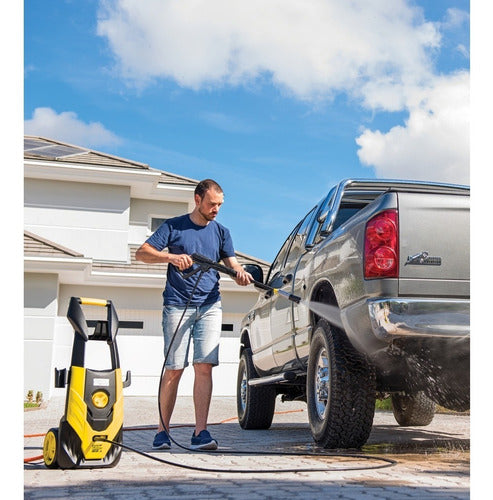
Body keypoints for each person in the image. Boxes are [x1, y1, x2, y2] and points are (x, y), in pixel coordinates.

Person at [135, 179, 252, 451]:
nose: (216, 209)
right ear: (197, 199)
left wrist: (240, 274)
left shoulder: (222, 232)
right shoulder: (173, 227)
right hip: (178, 304)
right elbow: (142, 253)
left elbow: (232, 263)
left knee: (204, 366)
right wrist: (172, 258)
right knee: (174, 368)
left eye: (220, 205)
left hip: (210, 304)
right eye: (212, 204)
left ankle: (201, 432)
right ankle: (162, 431)